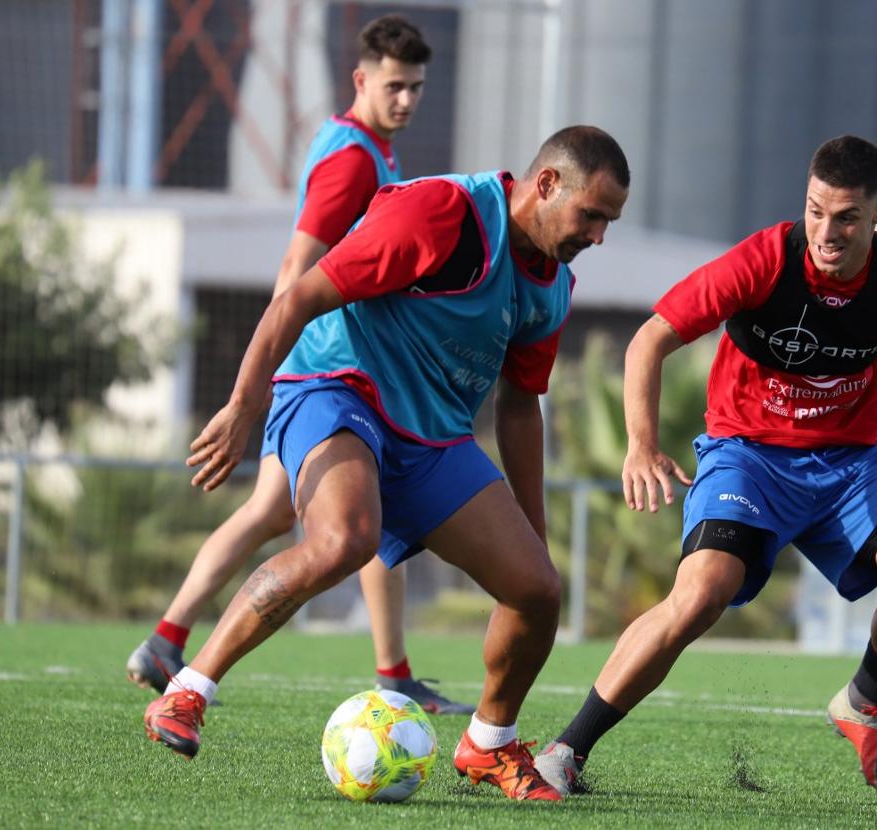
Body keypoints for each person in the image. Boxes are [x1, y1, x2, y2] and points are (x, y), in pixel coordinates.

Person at [533, 135, 877, 801]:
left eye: (847, 218)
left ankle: (864, 701)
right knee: (701, 592)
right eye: (815, 212)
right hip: (747, 456)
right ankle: (567, 750)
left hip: (849, 463)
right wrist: (641, 443)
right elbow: (650, 339)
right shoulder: (763, 261)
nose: (826, 233)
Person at [142, 125, 630, 802]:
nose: (598, 236)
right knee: (344, 539)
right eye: (592, 215)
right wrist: (243, 405)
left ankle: (489, 742)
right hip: (337, 386)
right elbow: (301, 297)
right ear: (546, 185)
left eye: (609, 223)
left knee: (537, 590)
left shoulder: (553, 288)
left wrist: (533, 530)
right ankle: (187, 690)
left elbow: (520, 407)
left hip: (429, 435)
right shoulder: (443, 213)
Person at [125, 15, 470, 714]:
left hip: (326, 364)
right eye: (395, 86)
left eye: (417, 87)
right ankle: (394, 675)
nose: (407, 99)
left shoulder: (366, 148)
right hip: (332, 370)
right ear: (361, 79)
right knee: (366, 508)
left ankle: (166, 640)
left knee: (270, 511)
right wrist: (262, 383)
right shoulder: (354, 161)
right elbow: (297, 268)